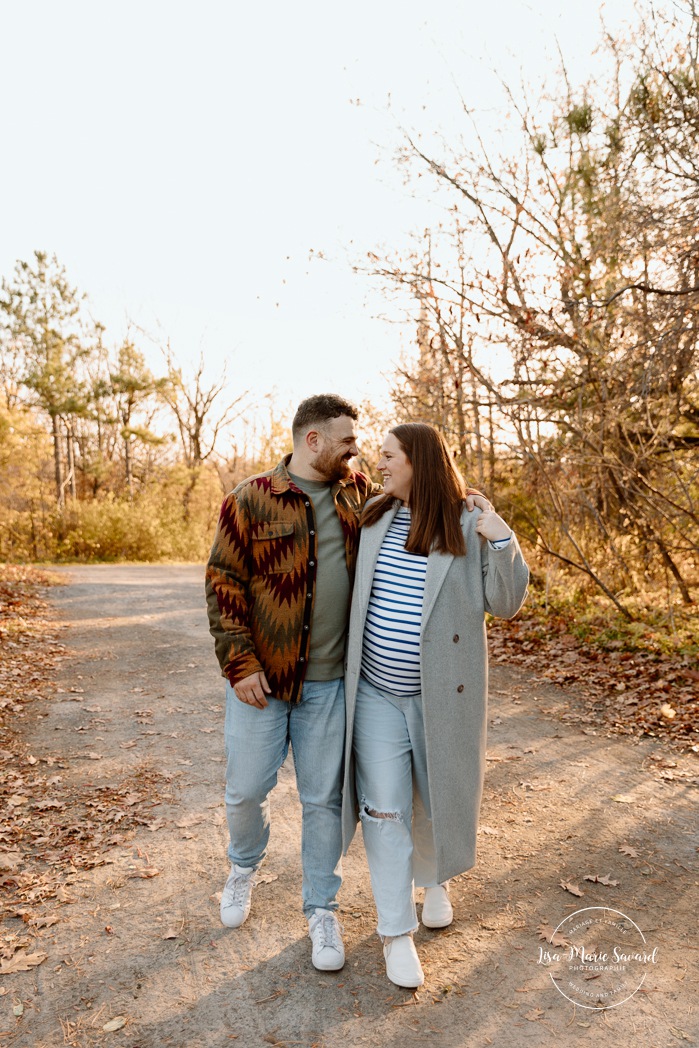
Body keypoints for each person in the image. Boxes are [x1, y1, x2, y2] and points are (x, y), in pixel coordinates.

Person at [205, 397, 490, 973]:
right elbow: (223, 584)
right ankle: (242, 865)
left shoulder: (360, 497)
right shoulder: (251, 499)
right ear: (312, 441)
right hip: (262, 682)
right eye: (346, 440)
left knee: (323, 802)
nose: (356, 451)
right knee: (245, 790)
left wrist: (472, 503)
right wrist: (240, 665)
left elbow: (425, 496)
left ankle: (322, 909)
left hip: (334, 685)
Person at [340, 422, 529, 989]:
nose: (381, 463)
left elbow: (506, 601)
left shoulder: (468, 524)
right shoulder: (372, 517)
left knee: (437, 793)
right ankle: (396, 934)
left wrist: (502, 535)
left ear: (419, 461)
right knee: (387, 808)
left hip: (440, 695)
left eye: (390, 455)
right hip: (374, 692)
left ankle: (437, 880)